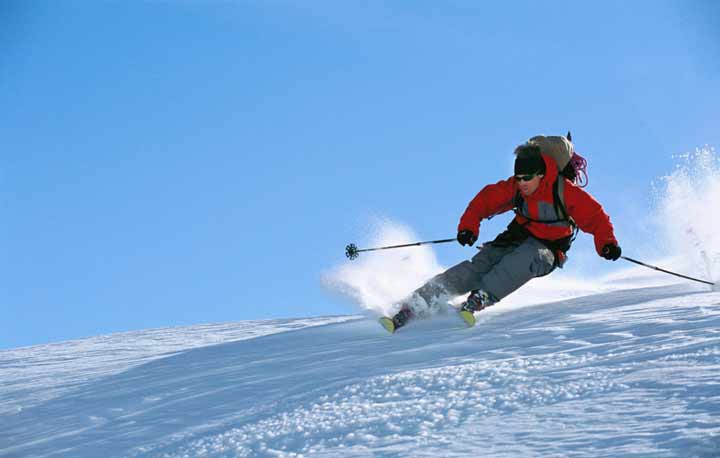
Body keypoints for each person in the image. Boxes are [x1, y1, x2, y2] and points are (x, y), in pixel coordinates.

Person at [388, 136, 622, 330]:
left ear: (541, 174)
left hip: (548, 248)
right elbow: (484, 201)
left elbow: (596, 217)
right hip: (516, 236)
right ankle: (420, 300)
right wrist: (468, 228)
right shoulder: (515, 187)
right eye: (518, 178)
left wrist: (607, 244)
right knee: (479, 265)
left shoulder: (565, 192)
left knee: (523, 260)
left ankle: (481, 297)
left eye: (527, 178)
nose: (522, 183)